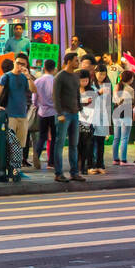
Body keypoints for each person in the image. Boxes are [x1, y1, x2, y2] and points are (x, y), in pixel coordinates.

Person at [50, 52, 85, 182]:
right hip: (64, 113)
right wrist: (59, 113)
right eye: (76, 60)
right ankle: (58, 173)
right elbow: (55, 96)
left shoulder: (76, 76)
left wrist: (80, 107)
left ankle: (74, 172)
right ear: (69, 61)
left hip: (74, 113)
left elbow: (77, 93)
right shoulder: (60, 76)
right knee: (59, 144)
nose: (78, 63)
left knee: (73, 144)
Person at [0, 57, 32, 173]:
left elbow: (33, 90)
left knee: (20, 144)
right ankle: (8, 166)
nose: (20, 65)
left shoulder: (25, 78)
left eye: (23, 64)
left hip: (22, 115)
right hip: (9, 114)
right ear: (14, 63)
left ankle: (16, 167)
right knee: (10, 142)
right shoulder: (6, 76)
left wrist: (28, 77)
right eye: (18, 63)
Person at [32, 59, 57, 169]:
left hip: (42, 112)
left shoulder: (38, 81)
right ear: (54, 68)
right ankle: (51, 162)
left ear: (44, 68)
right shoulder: (55, 81)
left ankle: (36, 155)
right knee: (53, 138)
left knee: (42, 136)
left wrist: (38, 105)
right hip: (54, 112)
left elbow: (34, 99)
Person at [112, 70, 135, 166]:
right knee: (124, 138)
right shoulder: (130, 89)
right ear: (130, 79)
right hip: (126, 114)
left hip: (116, 113)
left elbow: (115, 101)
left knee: (116, 138)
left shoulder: (116, 86)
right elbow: (133, 103)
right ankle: (123, 160)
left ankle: (115, 159)